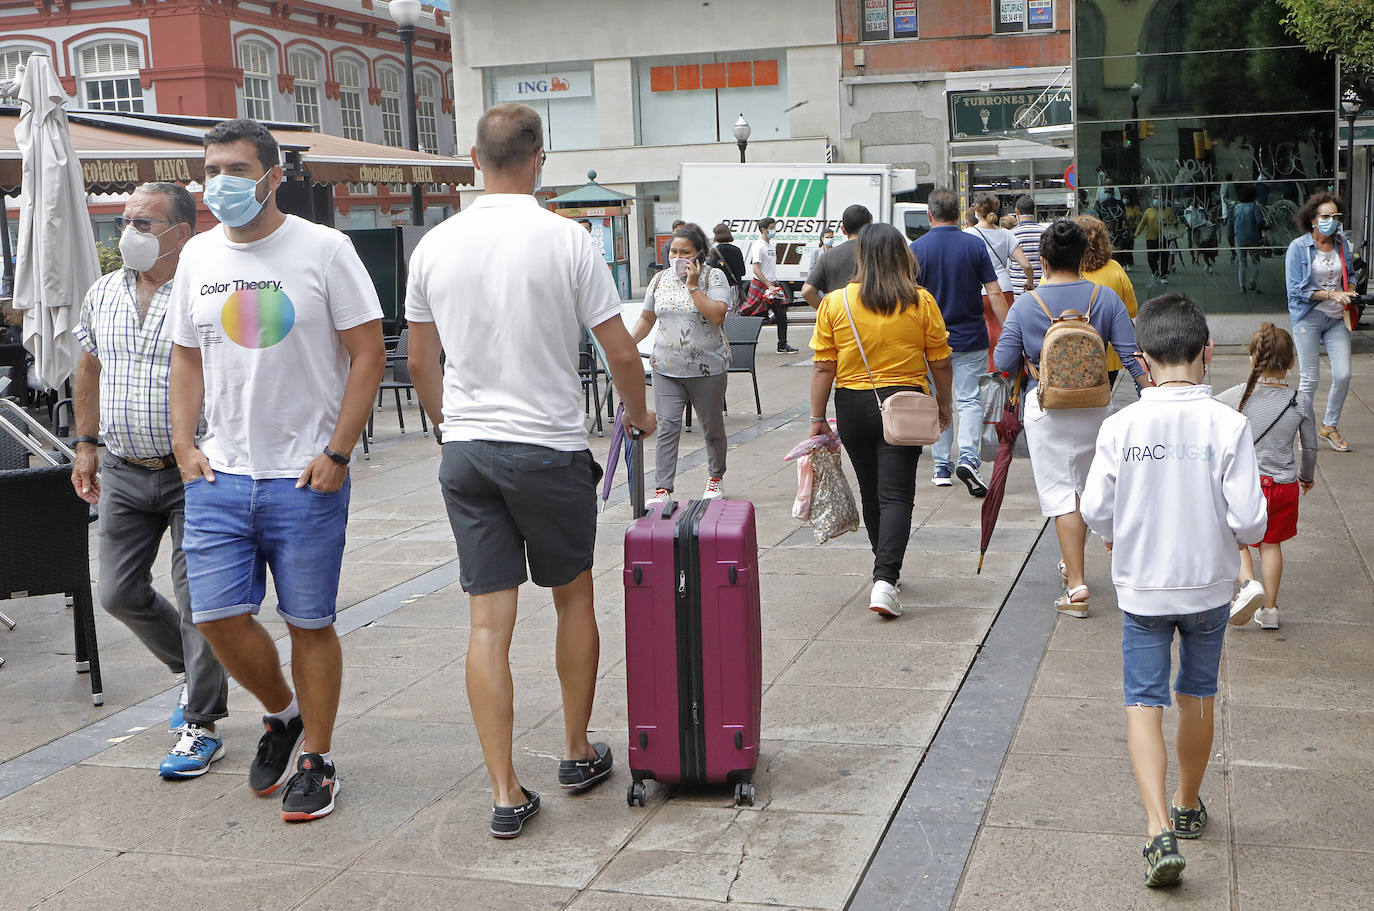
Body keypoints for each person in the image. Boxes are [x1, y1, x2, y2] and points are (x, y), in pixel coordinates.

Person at [405, 103, 655, 840]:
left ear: (474, 160)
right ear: (539, 158)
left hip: (470, 450)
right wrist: (638, 413)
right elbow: (619, 350)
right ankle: (577, 752)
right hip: (547, 448)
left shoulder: (435, 246)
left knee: (488, 622)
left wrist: (449, 425)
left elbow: (421, 362)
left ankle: (505, 790)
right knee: (573, 598)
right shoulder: (569, 240)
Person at [168, 118, 386, 821]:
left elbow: (367, 353)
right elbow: (187, 356)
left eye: (235, 168)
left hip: (304, 476)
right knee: (217, 618)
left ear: (271, 175)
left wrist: (337, 452)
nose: (219, 183)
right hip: (219, 476)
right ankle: (283, 712)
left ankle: (317, 760)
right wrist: (183, 444)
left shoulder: (324, 249)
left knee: (309, 621)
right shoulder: (197, 256)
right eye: (211, 170)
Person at [1080, 294, 1267, 889]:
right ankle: (1189, 802)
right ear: (1208, 354)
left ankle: (1158, 827)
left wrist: (1119, 535)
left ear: (1143, 358)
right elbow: (1251, 520)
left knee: (1143, 700)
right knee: (1198, 692)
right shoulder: (1228, 423)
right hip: (1209, 585)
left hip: (1142, 588)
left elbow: (1094, 510)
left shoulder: (1121, 425)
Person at [70, 183, 230, 780]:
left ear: (181, 233)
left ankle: (202, 721)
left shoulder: (203, 294)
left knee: (200, 604)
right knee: (117, 592)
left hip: (195, 470)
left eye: (144, 222)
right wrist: (85, 444)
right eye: (125, 220)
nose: (128, 231)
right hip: (124, 467)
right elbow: (88, 366)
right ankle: (193, 671)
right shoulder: (104, 292)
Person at [993, 220, 1145, 618]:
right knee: (1093, 486)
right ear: (1083, 258)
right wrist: (1154, 395)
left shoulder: (1026, 305)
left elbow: (1003, 361)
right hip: (1096, 406)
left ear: (1042, 260)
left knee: (1064, 496)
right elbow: (1131, 357)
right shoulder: (1106, 297)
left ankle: (1076, 586)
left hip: (1047, 409)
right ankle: (1103, 547)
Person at [809, 224, 954, 617]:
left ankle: (883, 571)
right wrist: (945, 405)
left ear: (862, 256)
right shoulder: (920, 301)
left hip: (853, 404)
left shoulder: (836, 303)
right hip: (905, 403)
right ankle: (885, 579)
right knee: (897, 495)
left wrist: (817, 417)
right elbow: (940, 361)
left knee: (872, 491)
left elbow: (824, 366)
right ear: (902, 256)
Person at [1216, 322, 1316, 631]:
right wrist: (1306, 477)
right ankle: (1270, 610)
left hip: (1247, 487)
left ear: (1252, 359)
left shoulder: (1235, 397)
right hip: (1284, 486)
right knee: (1271, 546)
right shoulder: (1300, 400)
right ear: (1291, 363)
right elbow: (1310, 446)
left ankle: (1248, 586)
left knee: (1236, 539)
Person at [910, 188, 1004, 496]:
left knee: (938, 400)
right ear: (958, 212)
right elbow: (993, 292)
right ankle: (968, 457)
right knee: (968, 401)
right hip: (971, 338)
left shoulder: (916, 250)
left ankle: (941, 466)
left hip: (929, 342)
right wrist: (1010, 328)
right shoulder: (974, 245)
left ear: (929, 215)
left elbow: (909, 300)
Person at [629, 222, 731, 503]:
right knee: (667, 426)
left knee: (711, 426)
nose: (677, 258)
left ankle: (715, 478)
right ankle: (663, 488)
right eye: (673, 251)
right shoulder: (659, 279)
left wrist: (694, 286)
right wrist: (627, 343)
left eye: (685, 252)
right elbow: (647, 319)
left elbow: (717, 315)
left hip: (707, 368)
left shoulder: (715, 278)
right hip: (666, 366)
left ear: (700, 254)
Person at [1285, 191, 1355, 452]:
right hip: (1308, 316)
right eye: (1326, 216)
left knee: (1344, 374)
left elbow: (1349, 275)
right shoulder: (1298, 248)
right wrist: (1330, 294)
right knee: (1309, 379)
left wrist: (1351, 291)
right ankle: (1305, 430)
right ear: (1313, 219)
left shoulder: (1341, 244)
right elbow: (1295, 290)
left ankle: (1329, 426)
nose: (1332, 221)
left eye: (1335, 216)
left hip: (1337, 318)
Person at [967, 194, 1036, 371]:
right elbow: (1026, 264)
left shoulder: (968, 234)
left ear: (976, 210)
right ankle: (1005, 376)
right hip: (1004, 290)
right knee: (1003, 336)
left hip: (976, 292)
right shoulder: (1006, 234)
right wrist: (1029, 283)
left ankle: (988, 376)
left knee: (985, 336)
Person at [1074, 214, 1138, 387]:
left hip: (1068, 353)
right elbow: (1131, 310)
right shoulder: (1116, 269)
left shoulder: (1060, 272)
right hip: (1108, 355)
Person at [801, 204, 872, 308]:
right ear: (870, 227)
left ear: (843, 229)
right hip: (872, 318)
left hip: (840, 319)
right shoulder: (881, 253)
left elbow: (807, 292)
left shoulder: (828, 256)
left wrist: (828, 312)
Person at [746, 216, 796, 353]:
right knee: (757, 316)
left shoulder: (771, 246)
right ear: (763, 229)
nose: (774, 230)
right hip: (763, 285)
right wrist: (768, 285)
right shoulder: (758, 246)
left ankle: (782, 345)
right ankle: (747, 344)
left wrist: (772, 284)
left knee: (782, 315)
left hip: (773, 285)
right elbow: (756, 268)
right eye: (772, 228)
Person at [1233, 184, 1267, 294]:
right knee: (1256, 261)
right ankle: (1252, 281)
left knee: (1242, 263)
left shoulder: (1237, 207)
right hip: (1253, 237)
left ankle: (1241, 286)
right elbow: (1260, 222)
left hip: (1239, 238)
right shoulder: (1254, 207)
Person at [706, 223, 746, 315]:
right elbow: (742, 271)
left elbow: (712, 271)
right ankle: (731, 328)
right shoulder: (736, 250)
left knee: (721, 310)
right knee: (733, 310)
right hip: (734, 286)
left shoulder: (714, 251)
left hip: (719, 287)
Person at [1007, 195, 1044, 289]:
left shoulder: (1011, 234)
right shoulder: (1045, 232)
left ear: (1017, 212)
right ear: (1034, 210)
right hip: (1042, 286)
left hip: (1018, 287)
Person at [1136, 196, 1168, 284]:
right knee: (1151, 257)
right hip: (1151, 237)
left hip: (1164, 238)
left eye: (1159, 199)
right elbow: (1142, 223)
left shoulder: (1166, 211)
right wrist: (1137, 233)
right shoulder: (1148, 212)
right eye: (1155, 198)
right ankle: (1155, 271)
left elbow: (1174, 222)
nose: (1157, 201)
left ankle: (1164, 275)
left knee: (1164, 257)